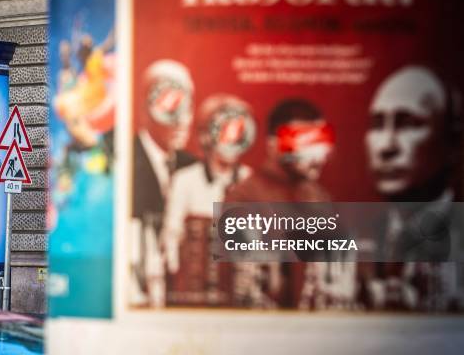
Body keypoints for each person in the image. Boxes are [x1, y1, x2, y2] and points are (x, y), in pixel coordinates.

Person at [226, 99, 356, 309]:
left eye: (321, 143)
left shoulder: (318, 196)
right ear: (273, 145)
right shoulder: (242, 197)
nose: (317, 156)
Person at [363, 65, 464, 311]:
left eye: (408, 123)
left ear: (452, 143)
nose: (386, 146)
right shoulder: (359, 239)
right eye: (377, 124)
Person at [159, 94, 255, 307]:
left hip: (238, 296)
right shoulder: (185, 180)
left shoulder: (250, 180)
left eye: (238, 131)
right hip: (194, 294)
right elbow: (170, 239)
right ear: (205, 136)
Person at [130, 59, 196, 306]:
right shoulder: (125, 159)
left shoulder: (193, 167)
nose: (182, 120)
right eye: (170, 106)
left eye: (187, 106)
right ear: (146, 110)